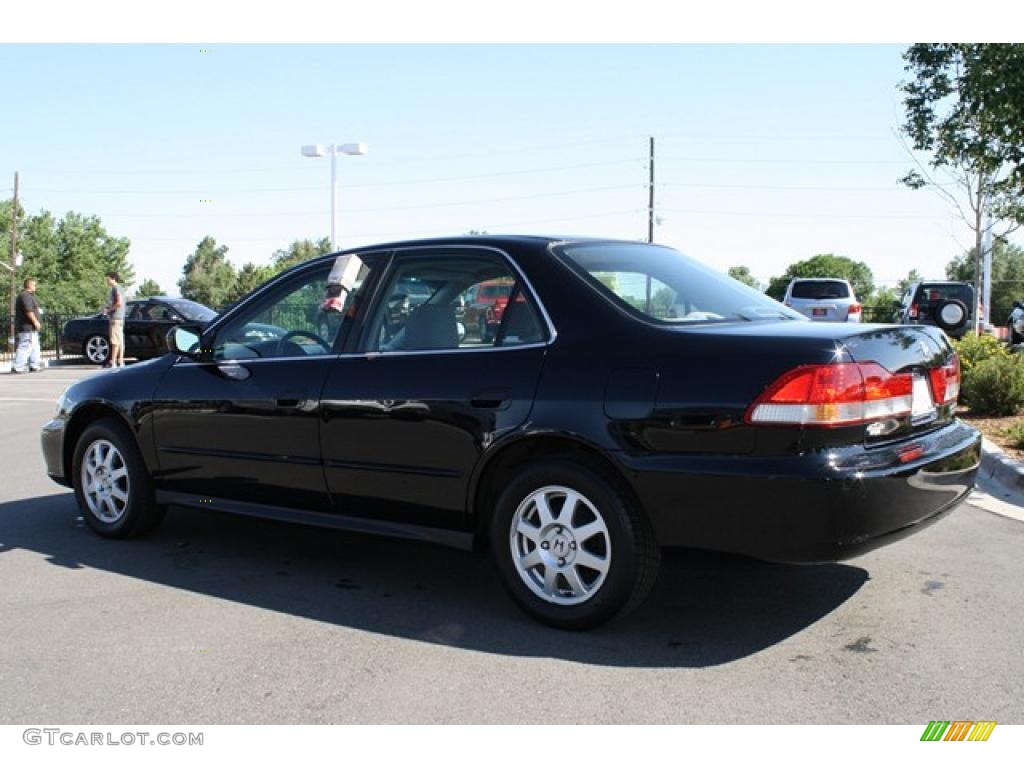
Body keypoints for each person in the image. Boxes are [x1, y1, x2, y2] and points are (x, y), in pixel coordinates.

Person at [12, 277, 43, 373]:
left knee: (34, 346)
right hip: (27, 327)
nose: (35, 287)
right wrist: (35, 322)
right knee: (26, 346)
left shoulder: (28, 296)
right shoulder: (25, 296)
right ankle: (17, 366)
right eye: (34, 285)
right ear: (29, 285)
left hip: (30, 328)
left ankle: (34, 365)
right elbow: (28, 310)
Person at [103, 271, 125, 368]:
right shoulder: (120, 288)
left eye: (108, 279)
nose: (107, 281)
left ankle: (114, 362)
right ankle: (120, 361)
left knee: (115, 341)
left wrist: (108, 310)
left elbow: (119, 303)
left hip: (115, 318)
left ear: (113, 279)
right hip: (120, 318)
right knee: (120, 341)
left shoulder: (116, 288)